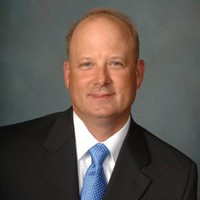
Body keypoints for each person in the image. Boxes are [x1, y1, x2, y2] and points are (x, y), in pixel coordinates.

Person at [0, 8, 198, 200]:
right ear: (68, 75)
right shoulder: (8, 152)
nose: (101, 79)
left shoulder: (178, 177)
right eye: (87, 64)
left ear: (138, 74)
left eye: (116, 63)